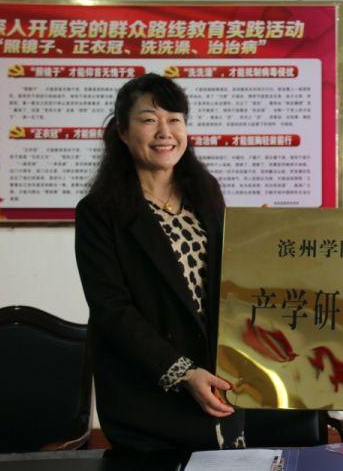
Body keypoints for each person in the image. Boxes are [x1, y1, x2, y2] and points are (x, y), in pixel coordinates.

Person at [75, 73, 244, 450]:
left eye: (175, 119)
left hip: (218, 382)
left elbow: (229, 280)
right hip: (148, 392)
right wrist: (183, 373)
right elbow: (111, 309)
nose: (165, 132)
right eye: (149, 119)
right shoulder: (99, 211)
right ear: (122, 132)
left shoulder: (205, 192)